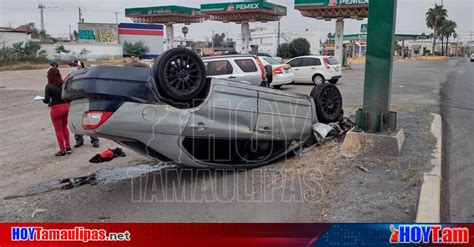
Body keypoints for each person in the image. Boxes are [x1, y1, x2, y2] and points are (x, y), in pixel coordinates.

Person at [67, 60, 100, 148]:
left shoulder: (86, 75)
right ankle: (79, 140)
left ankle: (95, 140)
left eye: (75, 65)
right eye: (72, 65)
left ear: (80, 65)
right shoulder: (69, 76)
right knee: (75, 121)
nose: (73, 67)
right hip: (74, 101)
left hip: (85, 101)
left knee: (87, 121)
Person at [43, 67, 71, 157]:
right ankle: (68, 147)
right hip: (66, 107)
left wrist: (43, 100)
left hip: (56, 109)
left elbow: (47, 100)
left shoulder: (49, 86)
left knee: (58, 130)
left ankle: (62, 151)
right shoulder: (63, 84)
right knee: (64, 127)